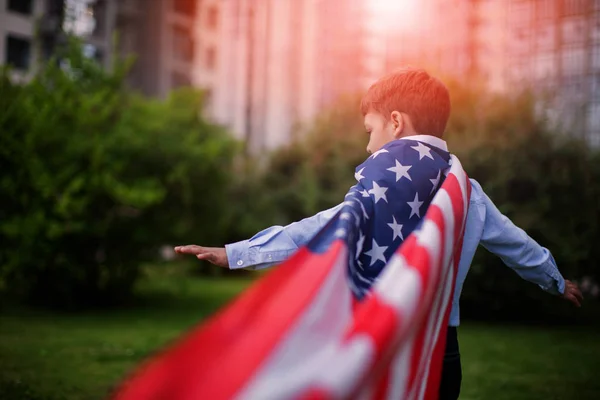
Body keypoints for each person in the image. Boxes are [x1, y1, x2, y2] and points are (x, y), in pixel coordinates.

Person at [174, 67, 583, 400]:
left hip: (382, 342)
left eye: (369, 130)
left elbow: (318, 231)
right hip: (441, 353)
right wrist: (554, 280)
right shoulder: (465, 191)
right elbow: (515, 244)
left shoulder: (378, 187)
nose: (369, 147)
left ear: (395, 121)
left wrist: (237, 253)